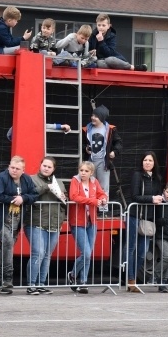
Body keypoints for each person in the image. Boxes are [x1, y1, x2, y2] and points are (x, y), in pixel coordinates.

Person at [0, 156, 38, 294]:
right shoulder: (1, 178)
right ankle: (7, 280)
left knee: (4, 249)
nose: (14, 171)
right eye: (12, 168)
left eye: (17, 169)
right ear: (8, 166)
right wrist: (12, 199)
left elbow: (34, 195)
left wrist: (24, 198)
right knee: (8, 244)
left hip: (16, 222)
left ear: (23, 170)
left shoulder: (27, 179)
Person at [26, 156, 67, 295]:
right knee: (38, 253)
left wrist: (63, 198)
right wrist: (47, 187)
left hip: (54, 223)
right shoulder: (30, 179)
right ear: (40, 165)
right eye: (44, 165)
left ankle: (41, 284)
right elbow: (30, 194)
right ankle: (31, 284)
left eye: (49, 167)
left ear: (53, 169)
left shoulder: (59, 182)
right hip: (36, 222)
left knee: (47, 255)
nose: (46, 168)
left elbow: (65, 202)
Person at [67, 161, 107, 294]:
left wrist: (103, 199)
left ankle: (83, 282)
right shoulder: (75, 180)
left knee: (88, 254)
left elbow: (101, 193)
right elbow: (74, 197)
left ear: (91, 173)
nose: (83, 173)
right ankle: (73, 274)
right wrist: (94, 201)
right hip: (78, 221)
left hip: (92, 221)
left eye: (86, 171)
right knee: (87, 253)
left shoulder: (94, 182)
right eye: (81, 170)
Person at [126, 152, 163, 292]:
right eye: (145, 160)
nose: (147, 162)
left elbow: (158, 197)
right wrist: (152, 199)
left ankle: (133, 278)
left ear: (154, 163)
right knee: (131, 248)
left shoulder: (157, 178)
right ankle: (130, 280)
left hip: (148, 219)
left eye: (150, 160)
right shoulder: (137, 175)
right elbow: (135, 196)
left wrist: (159, 201)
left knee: (142, 252)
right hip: (135, 215)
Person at [82, 104, 122, 211]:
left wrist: (115, 152)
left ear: (102, 117)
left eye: (96, 116)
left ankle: (103, 210)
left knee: (103, 187)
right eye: (92, 115)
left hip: (103, 162)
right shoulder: (87, 129)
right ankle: (88, 210)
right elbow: (80, 144)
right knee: (89, 185)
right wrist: (85, 149)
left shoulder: (110, 129)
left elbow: (118, 142)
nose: (93, 118)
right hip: (89, 162)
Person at [150, 182, 168, 292]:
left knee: (167, 260)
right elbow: (153, 216)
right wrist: (159, 221)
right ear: (163, 191)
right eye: (167, 192)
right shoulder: (159, 202)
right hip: (160, 235)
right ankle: (155, 275)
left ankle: (163, 283)